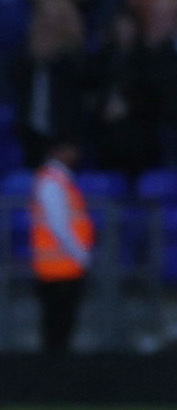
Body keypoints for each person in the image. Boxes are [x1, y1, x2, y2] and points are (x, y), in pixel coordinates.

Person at [25, 137, 93, 354]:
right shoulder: (52, 182)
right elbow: (58, 224)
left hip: (65, 265)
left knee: (63, 326)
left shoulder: (63, 181)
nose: (75, 155)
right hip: (57, 268)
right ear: (57, 152)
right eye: (70, 150)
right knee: (57, 326)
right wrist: (80, 254)